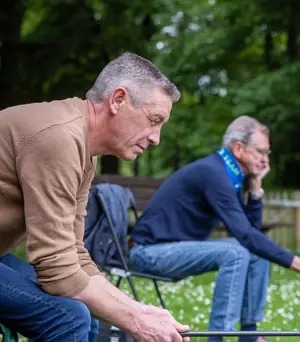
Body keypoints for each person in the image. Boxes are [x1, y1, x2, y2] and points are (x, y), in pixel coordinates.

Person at [0, 52, 190, 342]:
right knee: (68, 317)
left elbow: (73, 254)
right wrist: (135, 320)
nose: (156, 138)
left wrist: (138, 309)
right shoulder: (58, 137)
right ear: (117, 100)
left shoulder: (83, 151)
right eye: (154, 120)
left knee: (83, 314)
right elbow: (55, 268)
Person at [129, 116, 300, 342]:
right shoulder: (213, 173)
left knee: (255, 252)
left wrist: (256, 187)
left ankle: (249, 334)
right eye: (261, 152)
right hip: (148, 252)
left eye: (268, 154)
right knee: (236, 252)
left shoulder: (227, 172)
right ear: (238, 148)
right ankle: (218, 338)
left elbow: (251, 233)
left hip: (174, 249)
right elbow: (246, 236)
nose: (265, 160)